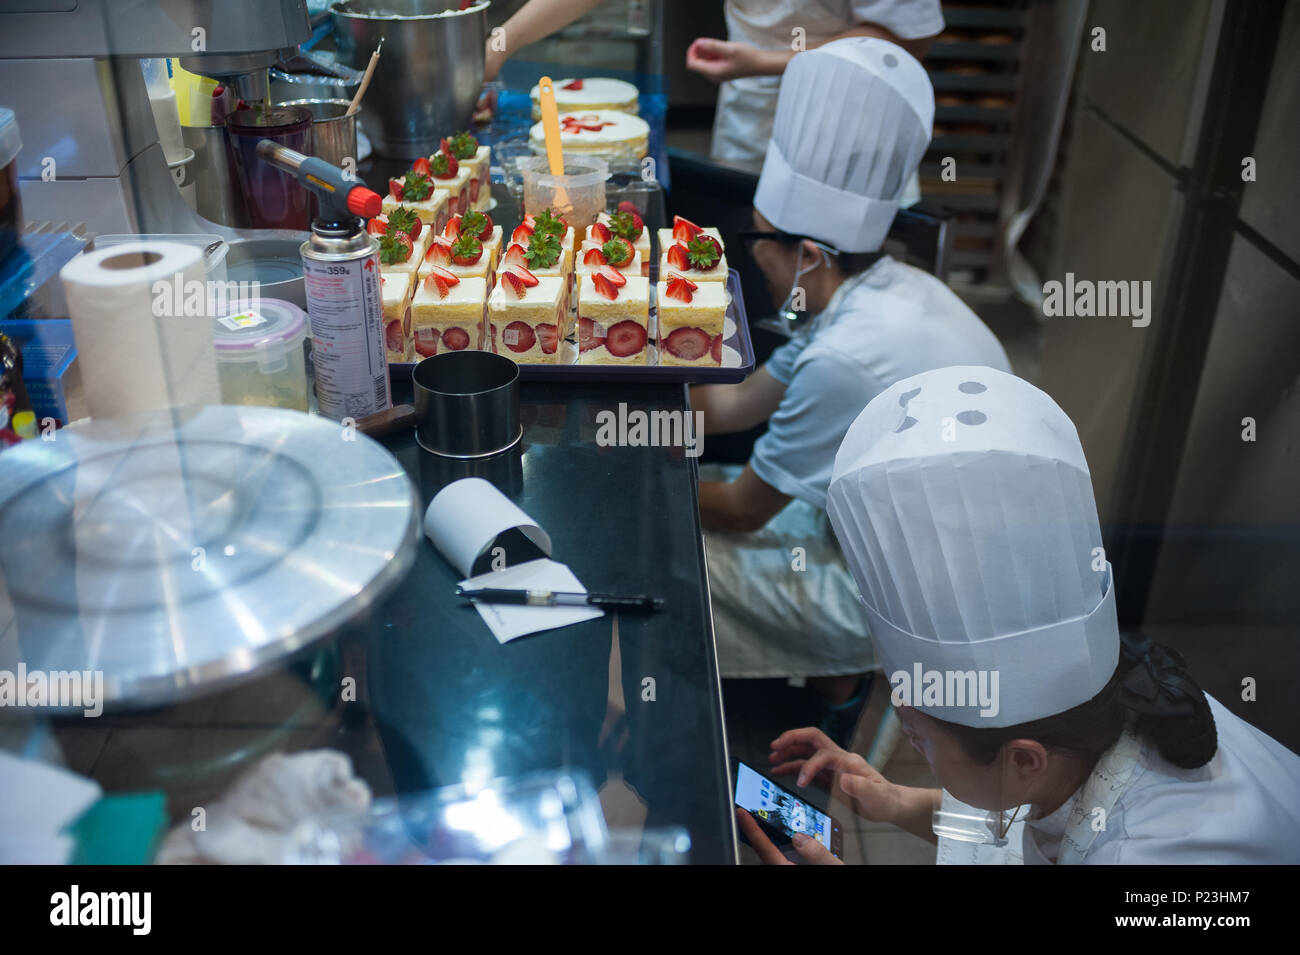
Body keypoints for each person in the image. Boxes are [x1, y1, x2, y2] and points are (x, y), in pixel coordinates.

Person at [739, 366, 1300, 864]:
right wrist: (897, 802)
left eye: (917, 739)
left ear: (1024, 758)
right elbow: (1024, 818)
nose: (913, 749)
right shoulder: (1108, 721)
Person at [692, 38, 1009, 736]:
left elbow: (745, 510)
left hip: (921, 599)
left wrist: (642, 483)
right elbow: (729, 406)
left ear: (807, 255)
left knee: (675, 558)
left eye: (757, 247)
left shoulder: (846, 355)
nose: (757, 263)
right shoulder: (877, 287)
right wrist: (645, 384)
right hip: (892, 531)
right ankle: (828, 677)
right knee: (698, 486)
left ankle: (831, 697)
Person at [687, 0, 944, 167]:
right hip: (748, 118)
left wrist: (761, 62)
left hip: (849, 130)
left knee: (834, 246)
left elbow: (909, 37)